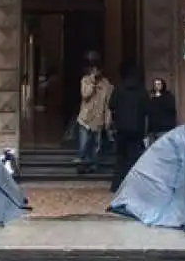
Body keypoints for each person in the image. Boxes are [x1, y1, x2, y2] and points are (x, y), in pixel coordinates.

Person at [108, 63, 149, 192]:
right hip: (137, 129)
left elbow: (111, 104)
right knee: (134, 158)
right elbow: (147, 109)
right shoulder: (141, 90)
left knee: (121, 158)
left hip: (121, 128)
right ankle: (133, 185)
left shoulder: (119, 88)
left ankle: (116, 185)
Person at [73, 62, 112, 173]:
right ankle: (82, 165)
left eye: (97, 70)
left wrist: (107, 120)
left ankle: (93, 165)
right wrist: (92, 82)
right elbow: (85, 95)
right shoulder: (85, 80)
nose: (96, 72)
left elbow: (107, 104)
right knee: (84, 143)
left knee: (96, 144)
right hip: (85, 118)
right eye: (93, 70)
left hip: (98, 118)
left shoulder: (106, 84)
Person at [147, 77, 177, 145]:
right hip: (153, 129)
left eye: (158, 84)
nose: (156, 86)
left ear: (162, 85)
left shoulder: (168, 96)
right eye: (155, 84)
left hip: (164, 129)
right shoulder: (151, 97)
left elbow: (171, 110)